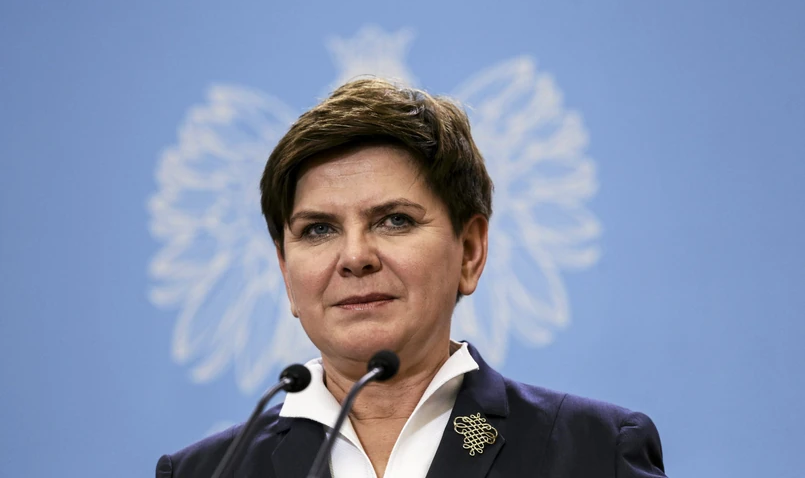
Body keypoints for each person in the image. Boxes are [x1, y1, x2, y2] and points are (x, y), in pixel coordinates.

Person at [156, 78, 666, 477]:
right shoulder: (207, 472)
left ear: (470, 252)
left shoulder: (594, 452)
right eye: (318, 230)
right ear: (286, 272)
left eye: (394, 220)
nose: (355, 257)